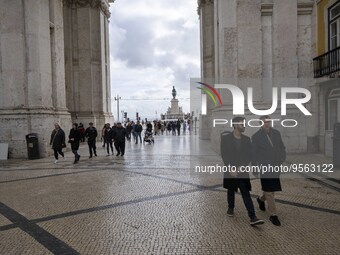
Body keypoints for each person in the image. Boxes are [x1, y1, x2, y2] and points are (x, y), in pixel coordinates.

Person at [221, 116, 264, 226]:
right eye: (242, 124)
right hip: (230, 170)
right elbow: (224, 155)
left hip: (242, 171)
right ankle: (230, 207)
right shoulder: (226, 139)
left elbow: (249, 155)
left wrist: (241, 168)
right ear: (235, 125)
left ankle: (252, 217)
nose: (244, 126)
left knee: (245, 192)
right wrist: (230, 168)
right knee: (231, 189)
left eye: (244, 124)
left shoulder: (246, 139)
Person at [252, 115, 286, 226]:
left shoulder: (276, 133)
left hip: (276, 165)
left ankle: (261, 200)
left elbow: (282, 147)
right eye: (264, 122)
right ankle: (273, 215)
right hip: (264, 167)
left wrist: (282, 158)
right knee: (269, 191)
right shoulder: (256, 137)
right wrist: (255, 168)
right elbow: (254, 154)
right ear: (260, 124)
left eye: (268, 122)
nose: (267, 124)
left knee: (272, 190)